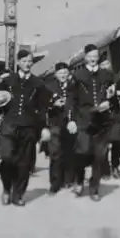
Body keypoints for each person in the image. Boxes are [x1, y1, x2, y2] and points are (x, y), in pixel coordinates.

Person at [0, 49, 52, 207]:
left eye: (30, 61)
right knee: (7, 158)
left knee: (25, 163)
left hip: (29, 127)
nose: (27, 64)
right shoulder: (7, 81)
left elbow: (43, 108)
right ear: (18, 62)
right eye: (24, 61)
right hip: (9, 125)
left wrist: (44, 127)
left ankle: (18, 194)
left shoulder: (38, 83)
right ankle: (6, 189)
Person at [67, 44, 115, 202]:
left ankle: (94, 188)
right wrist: (71, 120)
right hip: (83, 120)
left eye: (96, 56)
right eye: (90, 56)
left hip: (102, 121)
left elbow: (111, 95)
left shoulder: (107, 74)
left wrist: (109, 101)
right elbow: (71, 100)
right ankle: (79, 180)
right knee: (82, 152)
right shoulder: (77, 75)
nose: (93, 59)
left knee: (100, 156)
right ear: (85, 57)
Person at [43, 62, 76, 194]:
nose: (63, 75)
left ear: (68, 74)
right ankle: (55, 183)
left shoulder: (74, 87)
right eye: (60, 73)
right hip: (55, 123)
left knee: (69, 151)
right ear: (56, 74)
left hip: (71, 124)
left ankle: (68, 179)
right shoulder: (49, 87)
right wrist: (53, 104)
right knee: (55, 153)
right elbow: (43, 105)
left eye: (65, 73)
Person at [99, 58, 120, 179]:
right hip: (102, 115)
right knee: (104, 144)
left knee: (118, 142)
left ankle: (115, 165)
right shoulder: (96, 81)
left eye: (107, 64)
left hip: (115, 114)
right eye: (103, 65)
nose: (106, 66)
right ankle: (105, 169)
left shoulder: (117, 80)